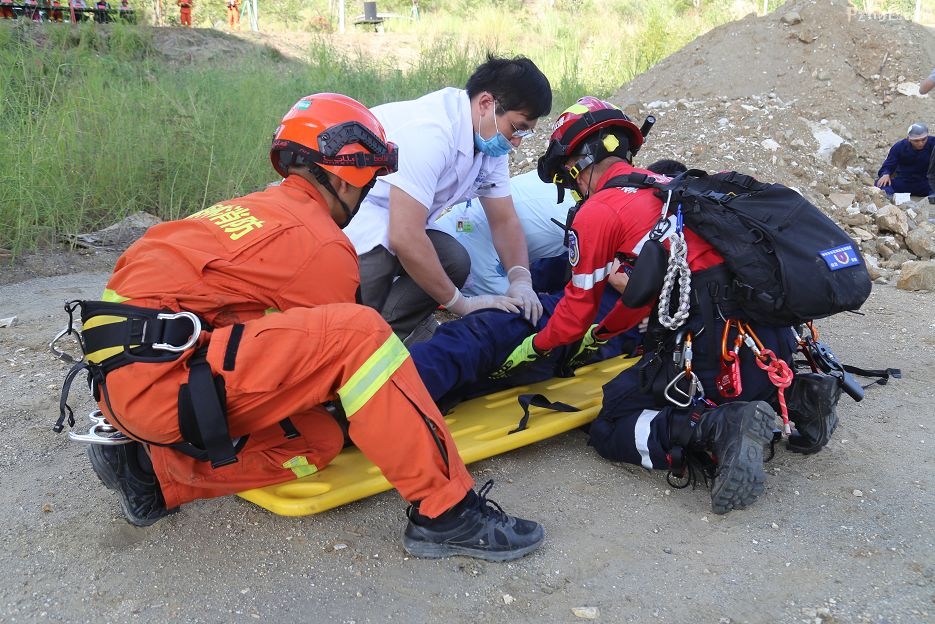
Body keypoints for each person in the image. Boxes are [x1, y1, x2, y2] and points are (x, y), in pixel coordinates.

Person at [64, 93, 543, 562]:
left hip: (128, 380)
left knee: (317, 440)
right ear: (349, 176)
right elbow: (342, 369)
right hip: (166, 386)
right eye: (371, 178)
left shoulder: (256, 209)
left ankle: (150, 472)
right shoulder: (319, 244)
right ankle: (447, 511)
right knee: (362, 335)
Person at [492, 96, 838, 515]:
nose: (573, 187)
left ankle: (715, 426)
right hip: (768, 343)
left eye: (569, 177)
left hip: (713, 349)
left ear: (576, 164)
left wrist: (535, 347)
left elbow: (575, 312)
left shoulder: (599, 212)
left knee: (612, 421)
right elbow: (642, 295)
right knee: (735, 378)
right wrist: (602, 335)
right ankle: (801, 395)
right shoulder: (675, 188)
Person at [344, 55, 553, 342]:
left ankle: (390, 333)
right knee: (370, 279)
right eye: (517, 128)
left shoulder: (488, 142)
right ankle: (354, 339)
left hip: (401, 217)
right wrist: (461, 304)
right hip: (355, 218)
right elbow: (404, 236)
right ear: (486, 104)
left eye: (525, 133)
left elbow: (504, 220)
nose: (516, 141)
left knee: (453, 260)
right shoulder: (432, 133)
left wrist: (521, 279)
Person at [433, 169, 575, 299]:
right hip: (469, 253)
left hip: (461, 221)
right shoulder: (571, 214)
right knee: (524, 307)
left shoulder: (560, 174)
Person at [874, 123, 935, 197]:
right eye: (916, 141)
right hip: (905, 182)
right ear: (909, 139)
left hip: (927, 183)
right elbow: (889, 164)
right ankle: (891, 198)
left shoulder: (933, 143)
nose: (920, 143)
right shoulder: (899, 147)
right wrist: (885, 174)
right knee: (880, 183)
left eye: (923, 139)